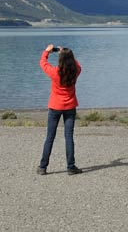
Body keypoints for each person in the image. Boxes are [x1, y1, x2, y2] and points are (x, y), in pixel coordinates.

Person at [37, 44, 83, 175]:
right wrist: (66, 54)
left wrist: (46, 51)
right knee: (69, 137)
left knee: (50, 137)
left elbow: (43, 63)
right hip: (70, 107)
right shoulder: (76, 71)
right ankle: (71, 167)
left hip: (55, 107)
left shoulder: (55, 72)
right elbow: (77, 64)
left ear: (60, 59)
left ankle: (43, 167)